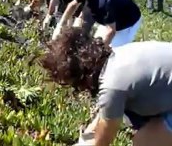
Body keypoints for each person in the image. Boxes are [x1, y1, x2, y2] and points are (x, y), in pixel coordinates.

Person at [39, 27, 172, 146]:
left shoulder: (113, 85)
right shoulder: (116, 56)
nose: (79, 89)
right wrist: (88, 136)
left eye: (74, 84)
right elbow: (105, 115)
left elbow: (103, 139)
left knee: (143, 142)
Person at [53, 0, 142, 47]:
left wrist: (100, 54)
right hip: (109, 19)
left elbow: (111, 31)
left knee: (111, 53)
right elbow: (73, 4)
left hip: (126, 24)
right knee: (95, 43)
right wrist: (60, 25)